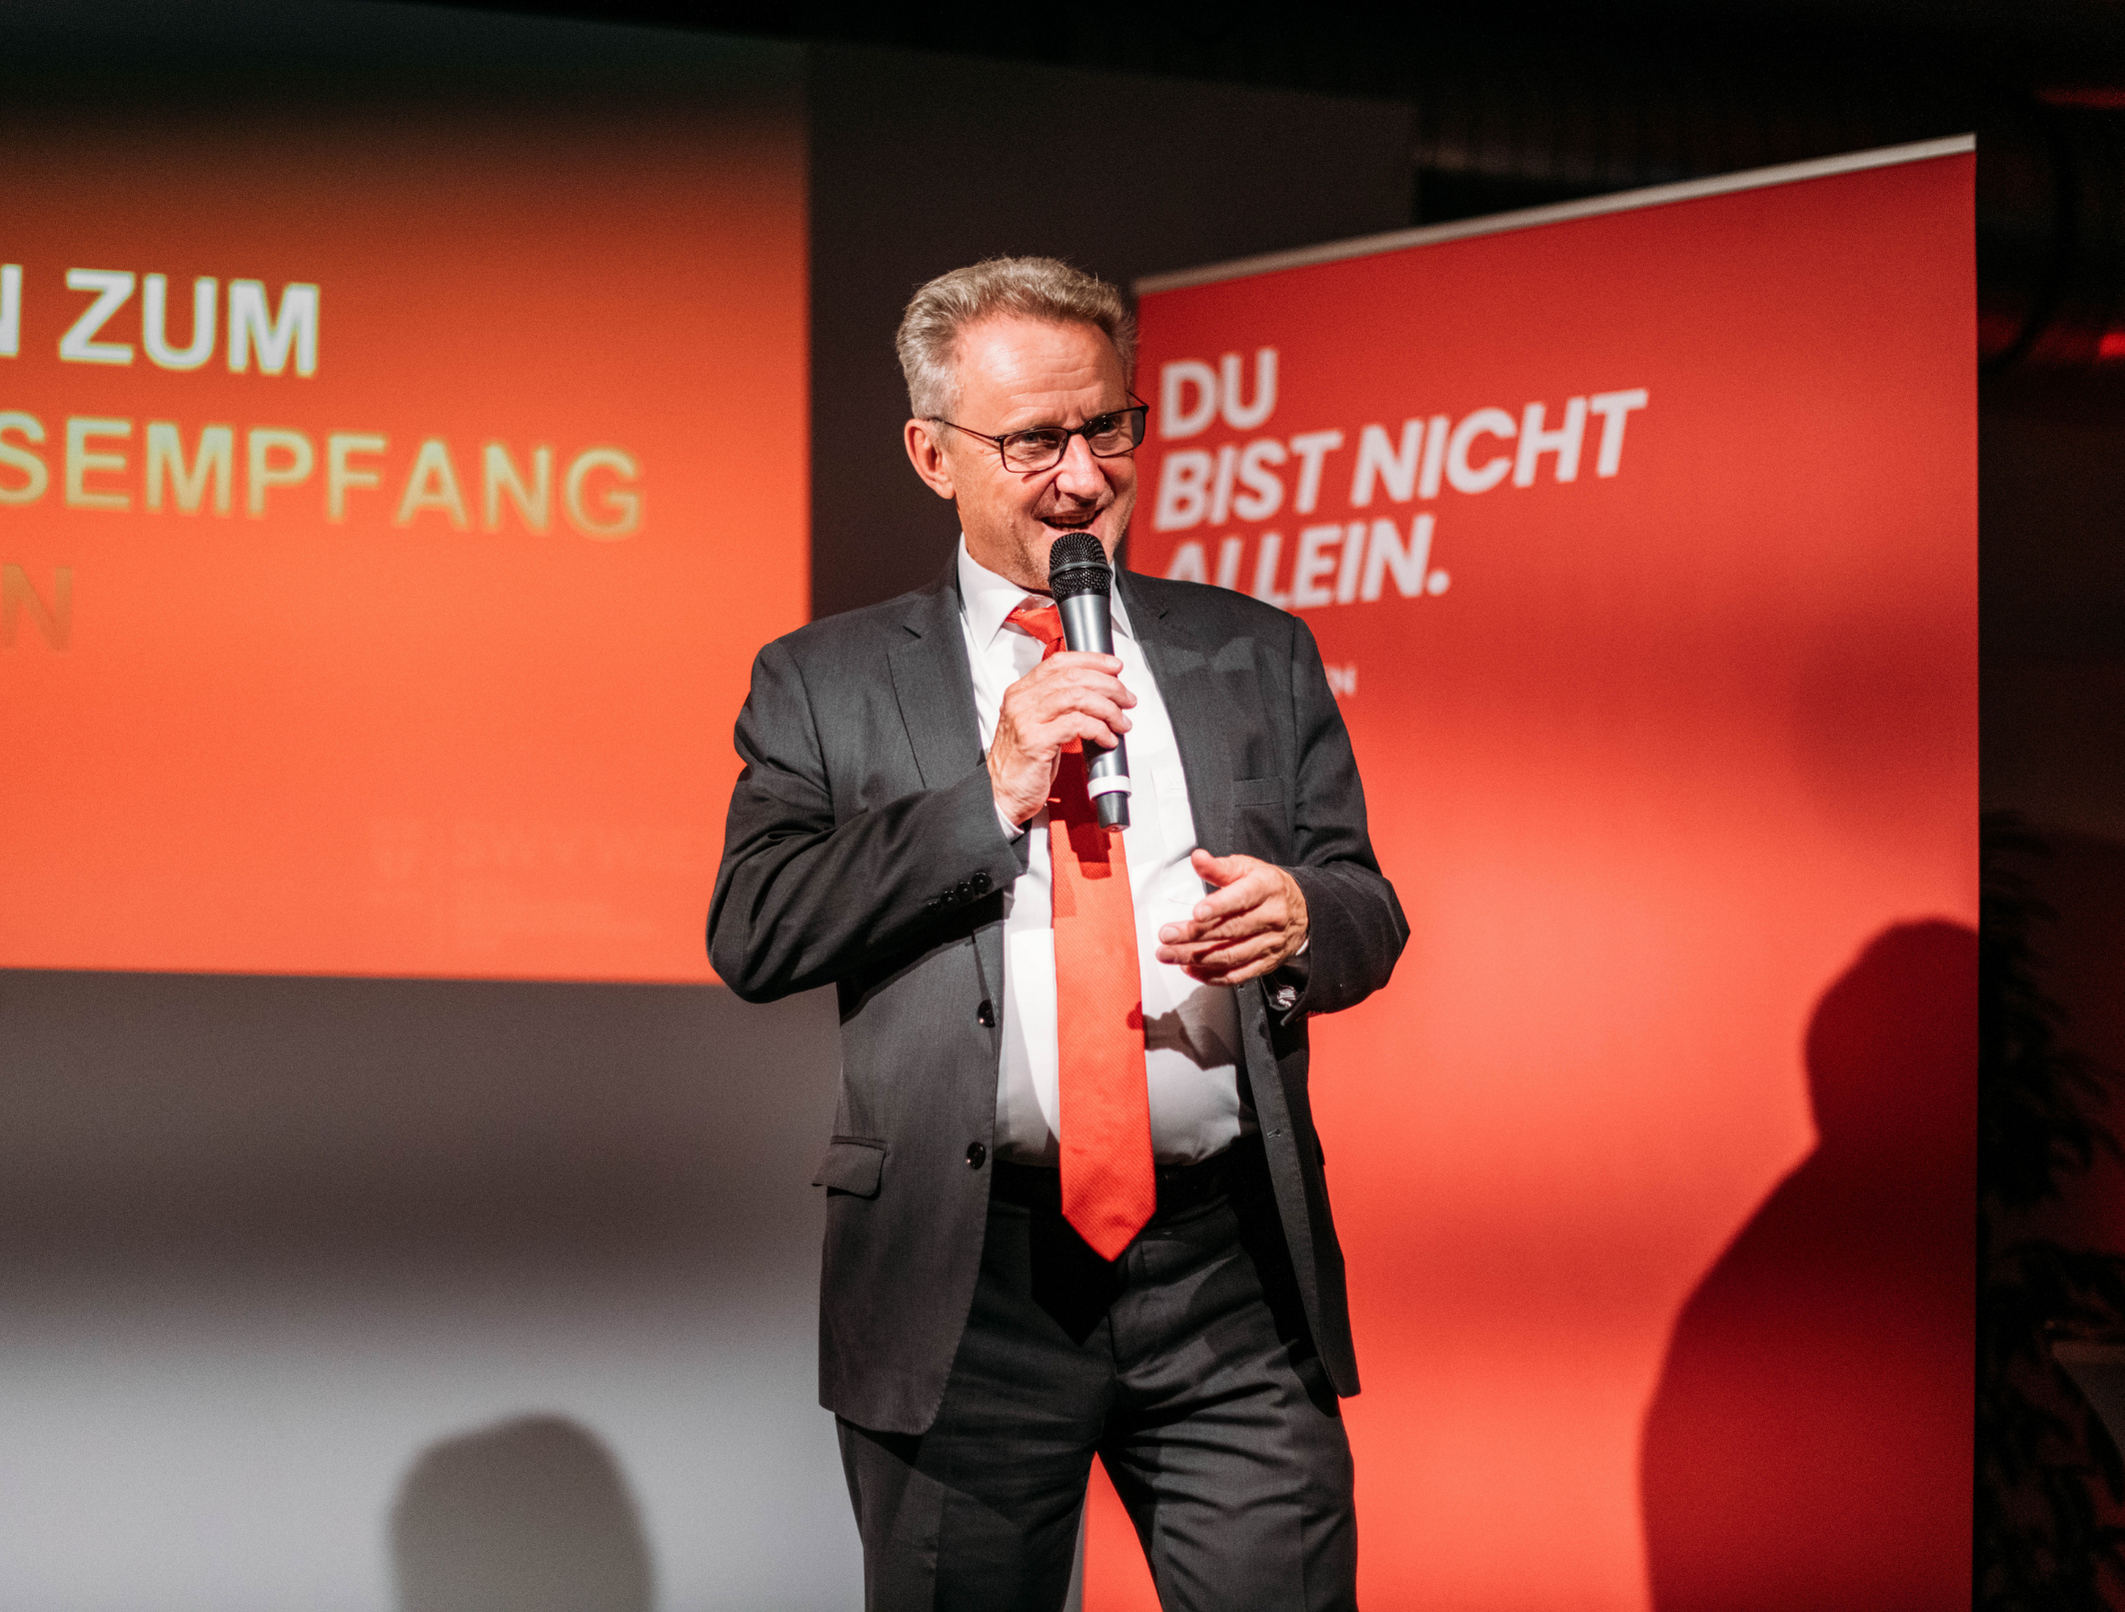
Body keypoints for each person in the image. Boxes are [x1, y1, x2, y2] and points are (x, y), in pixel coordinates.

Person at [708, 256, 1405, 1612]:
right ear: (933, 454)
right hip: (966, 1282)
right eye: (1035, 441)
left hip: (1227, 1275)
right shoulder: (827, 681)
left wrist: (1305, 917)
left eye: (1109, 428)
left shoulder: (1255, 651)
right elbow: (757, 928)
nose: (1084, 478)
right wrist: (989, 797)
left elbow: (1368, 908)